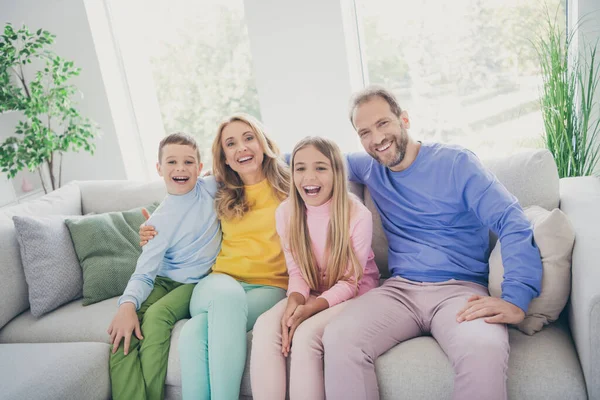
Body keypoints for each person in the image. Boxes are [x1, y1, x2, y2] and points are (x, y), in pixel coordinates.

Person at [322, 86, 543, 400]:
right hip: (399, 291)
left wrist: (516, 298)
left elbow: (512, 220)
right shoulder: (369, 167)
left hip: (460, 291)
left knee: (484, 348)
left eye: (383, 123)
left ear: (405, 119)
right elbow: (311, 159)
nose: (377, 138)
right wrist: (246, 162)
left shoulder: (456, 163)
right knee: (339, 337)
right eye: (365, 132)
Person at [139, 114, 290, 400]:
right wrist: (150, 230)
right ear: (225, 158)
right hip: (217, 283)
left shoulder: (290, 185)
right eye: (230, 144)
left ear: (263, 142)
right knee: (226, 298)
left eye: (248, 138)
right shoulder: (218, 188)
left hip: (269, 288)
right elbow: (178, 205)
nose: (241, 148)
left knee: (194, 332)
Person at [250, 136, 380, 400]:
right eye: (300, 168)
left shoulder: (357, 215)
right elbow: (297, 273)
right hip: (313, 291)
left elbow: (350, 282)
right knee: (266, 325)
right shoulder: (286, 213)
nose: (309, 177)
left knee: (307, 334)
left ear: (336, 172)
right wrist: (294, 303)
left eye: (320, 167)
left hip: (355, 293)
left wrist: (311, 308)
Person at [108, 132, 221, 400]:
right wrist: (126, 305)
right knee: (122, 333)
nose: (180, 168)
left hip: (196, 282)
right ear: (159, 169)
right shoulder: (158, 222)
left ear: (200, 167)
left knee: (157, 316)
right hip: (162, 279)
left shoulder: (210, 188)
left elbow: (245, 165)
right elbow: (145, 272)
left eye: (188, 162)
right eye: (171, 162)